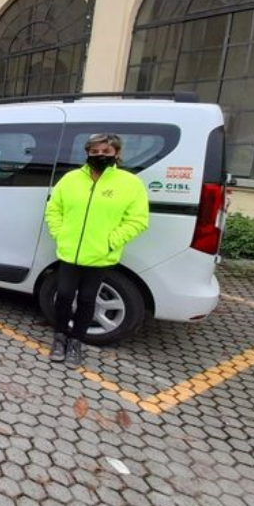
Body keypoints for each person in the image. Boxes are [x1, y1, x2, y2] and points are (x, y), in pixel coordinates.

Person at [44, 133, 149, 365]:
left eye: (105, 152)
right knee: (63, 296)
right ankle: (60, 338)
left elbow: (138, 220)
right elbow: (53, 210)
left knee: (87, 299)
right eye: (95, 152)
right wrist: (61, 234)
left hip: (100, 255)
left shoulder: (130, 184)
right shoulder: (71, 179)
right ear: (88, 153)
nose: (99, 156)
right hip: (69, 252)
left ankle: (76, 343)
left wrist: (110, 242)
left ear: (116, 154)